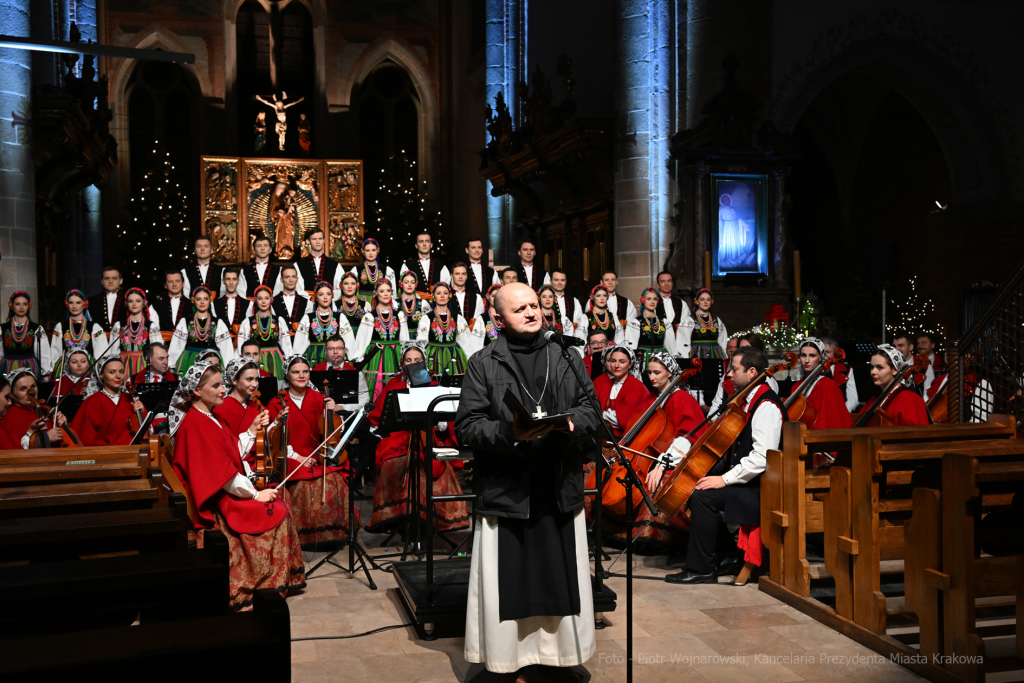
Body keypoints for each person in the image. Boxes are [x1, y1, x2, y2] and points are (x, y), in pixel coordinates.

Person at [456, 283, 599, 680]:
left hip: (557, 484)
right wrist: (511, 433)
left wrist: (571, 422)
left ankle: (558, 658)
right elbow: (467, 426)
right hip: (509, 489)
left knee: (558, 578)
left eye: (535, 305)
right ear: (498, 320)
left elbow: (593, 410)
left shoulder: (566, 356)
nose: (532, 313)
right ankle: (509, 662)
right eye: (520, 309)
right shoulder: (483, 363)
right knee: (511, 584)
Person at [169, 360, 306, 610]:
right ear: (197, 391)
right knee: (275, 505)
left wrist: (253, 430)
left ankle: (278, 578)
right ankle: (260, 583)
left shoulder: (208, 416)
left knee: (279, 496)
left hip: (219, 488)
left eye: (222, 384)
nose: (223, 390)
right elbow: (221, 475)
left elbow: (230, 453)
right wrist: (255, 495)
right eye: (216, 385)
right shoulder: (196, 424)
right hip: (214, 500)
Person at [665, 346, 785, 584]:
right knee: (695, 486)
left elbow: (762, 457)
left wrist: (723, 479)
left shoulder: (766, 405)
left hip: (763, 487)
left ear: (752, 372)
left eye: (734, 369)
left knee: (702, 496)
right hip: (752, 482)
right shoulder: (749, 399)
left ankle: (702, 569)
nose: (728, 374)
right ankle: (728, 555)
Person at [366, 344, 468, 533]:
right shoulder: (393, 385)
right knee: (394, 464)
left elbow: (445, 424)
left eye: (417, 360)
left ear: (425, 363)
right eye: (409, 360)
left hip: (426, 438)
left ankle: (425, 520)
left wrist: (437, 420)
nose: (413, 363)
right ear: (402, 364)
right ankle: (397, 519)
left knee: (426, 465)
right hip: (397, 439)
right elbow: (379, 419)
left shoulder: (434, 386)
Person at [266, 355, 359, 545]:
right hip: (289, 455)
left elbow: (331, 432)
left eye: (305, 371)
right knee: (306, 485)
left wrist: (333, 411)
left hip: (317, 454)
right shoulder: (277, 401)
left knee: (335, 479)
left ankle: (336, 533)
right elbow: (273, 438)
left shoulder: (320, 398)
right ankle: (307, 537)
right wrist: (299, 457)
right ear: (287, 375)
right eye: (295, 372)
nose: (301, 375)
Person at [352, 279, 410, 403]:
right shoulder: (369, 316)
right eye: (382, 291)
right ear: (376, 293)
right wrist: (358, 359)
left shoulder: (399, 315)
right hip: (375, 355)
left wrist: (407, 357)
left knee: (395, 386)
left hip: (395, 355)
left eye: (388, 291)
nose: (385, 293)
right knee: (375, 388)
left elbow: (404, 340)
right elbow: (362, 341)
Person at [70, 356, 148, 446]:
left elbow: (147, 433)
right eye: (112, 372)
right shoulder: (92, 402)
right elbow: (84, 437)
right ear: (101, 375)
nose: (118, 376)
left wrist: (142, 413)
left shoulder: (131, 400)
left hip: (134, 451)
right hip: (105, 454)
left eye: (121, 372)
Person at [212, 357, 267, 472]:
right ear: (234, 380)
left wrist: (276, 421)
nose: (255, 384)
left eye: (256, 379)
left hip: (260, 464)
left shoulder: (258, 406)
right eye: (249, 379)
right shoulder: (220, 409)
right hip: (235, 467)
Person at [417, 281, 480, 379]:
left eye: (445, 293)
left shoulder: (457, 317)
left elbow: (466, 342)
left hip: (454, 356)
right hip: (433, 357)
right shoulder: (427, 318)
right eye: (438, 293)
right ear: (433, 296)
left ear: (449, 296)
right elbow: (421, 341)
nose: (442, 296)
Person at [169, 286, 234, 375]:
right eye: (198, 299)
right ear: (193, 301)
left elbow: (226, 348)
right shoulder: (185, 321)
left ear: (210, 300)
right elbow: (177, 345)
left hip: (211, 359)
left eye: (205, 299)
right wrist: (171, 364)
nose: (202, 302)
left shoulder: (218, 322)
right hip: (190, 360)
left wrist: (228, 367)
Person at [861, 344, 930, 425]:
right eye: (872, 367)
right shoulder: (875, 398)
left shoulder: (910, 399)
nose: (873, 372)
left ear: (894, 370)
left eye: (880, 367)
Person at [293, 282, 356, 367]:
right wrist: (297, 362)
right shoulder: (307, 318)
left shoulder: (340, 317)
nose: (325, 297)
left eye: (328, 294)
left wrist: (353, 359)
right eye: (321, 294)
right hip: (314, 357)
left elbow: (349, 341)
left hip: (335, 357)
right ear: (315, 297)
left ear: (332, 296)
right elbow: (299, 345)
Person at [593, 346, 649, 440]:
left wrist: (603, 416)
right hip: (602, 436)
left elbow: (623, 422)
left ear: (630, 364)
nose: (616, 365)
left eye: (622, 362)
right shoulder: (604, 385)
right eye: (613, 361)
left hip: (623, 439)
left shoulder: (637, 387)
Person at [0, 368, 67, 448]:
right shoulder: (10, 418)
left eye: (33, 386)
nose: (31, 392)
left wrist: (62, 426)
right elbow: (18, 452)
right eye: (22, 389)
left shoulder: (43, 410)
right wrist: (46, 439)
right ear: (12, 395)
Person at [236, 285, 292, 379]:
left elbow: (287, 346)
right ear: (255, 300)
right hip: (255, 358)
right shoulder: (247, 322)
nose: (263, 301)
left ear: (271, 300)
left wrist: (290, 364)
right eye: (260, 298)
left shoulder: (279, 321)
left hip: (275, 360)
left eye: (266, 298)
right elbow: (241, 346)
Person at [50, 289, 105, 378]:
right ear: (67, 304)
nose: (74, 306)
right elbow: (55, 353)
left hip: (89, 370)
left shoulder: (95, 327)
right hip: (65, 370)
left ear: (85, 304)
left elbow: (101, 354)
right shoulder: (60, 326)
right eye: (71, 303)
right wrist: (54, 370)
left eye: (78, 302)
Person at [109, 288, 161, 377]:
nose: (134, 304)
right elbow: (113, 351)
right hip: (123, 366)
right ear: (126, 303)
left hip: (144, 365)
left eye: (138, 301)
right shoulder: (119, 325)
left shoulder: (151, 326)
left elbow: (157, 351)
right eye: (130, 301)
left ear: (144, 303)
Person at [1, 291, 52, 377]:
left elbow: (43, 355)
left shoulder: (37, 329)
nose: (21, 307)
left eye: (25, 304)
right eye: (17, 304)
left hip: (29, 369)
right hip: (8, 369)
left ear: (29, 306)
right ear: (11, 306)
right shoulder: (2, 328)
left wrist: (45, 373)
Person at [625, 287, 677, 367]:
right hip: (643, 361)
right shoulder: (636, 323)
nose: (652, 302)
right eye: (649, 299)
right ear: (643, 300)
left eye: (655, 299)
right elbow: (631, 348)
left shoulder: (664, 322)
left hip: (660, 361)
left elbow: (671, 347)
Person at [295, 229, 343, 298]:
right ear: (308, 241)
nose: (318, 242)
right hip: (307, 305)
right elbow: (297, 288)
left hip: (329, 305)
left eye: (320, 239)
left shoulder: (335, 265)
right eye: (314, 239)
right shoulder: (298, 265)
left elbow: (341, 288)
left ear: (324, 240)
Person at [400, 231, 450, 298]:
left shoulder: (440, 265)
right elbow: (403, 287)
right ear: (416, 245)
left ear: (431, 245)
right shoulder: (407, 265)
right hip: (415, 305)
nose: (424, 244)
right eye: (421, 241)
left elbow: (445, 288)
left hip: (436, 305)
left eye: (427, 241)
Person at [350, 238, 396, 306]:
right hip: (362, 304)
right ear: (363, 252)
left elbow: (392, 292)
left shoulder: (387, 270)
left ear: (378, 251)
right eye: (367, 250)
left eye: (373, 250)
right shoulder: (356, 269)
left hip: (381, 303)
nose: (371, 253)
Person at [821, 336, 859, 412]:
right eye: (821, 352)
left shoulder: (847, 370)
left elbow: (853, 399)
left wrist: (841, 413)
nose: (824, 355)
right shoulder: (810, 368)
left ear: (835, 353)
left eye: (828, 352)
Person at [151, 270, 188, 343]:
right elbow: (153, 332)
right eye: (170, 282)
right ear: (165, 285)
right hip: (163, 346)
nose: (174, 284)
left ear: (183, 283)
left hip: (187, 347)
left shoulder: (193, 304)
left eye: (177, 281)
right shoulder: (155, 306)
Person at [270, 265, 310, 334]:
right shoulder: (272, 301)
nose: (291, 280)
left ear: (297, 279)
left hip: (300, 342)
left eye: (293, 277)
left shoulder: (306, 302)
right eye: (287, 277)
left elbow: (308, 325)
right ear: (281, 280)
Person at [87, 266, 126, 334]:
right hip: (98, 342)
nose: (110, 281)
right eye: (106, 278)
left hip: (123, 341)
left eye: (114, 278)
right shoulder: (92, 300)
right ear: (102, 281)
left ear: (121, 281)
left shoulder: (128, 299)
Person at [214, 268, 248, 340]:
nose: (231, 283)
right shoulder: (214, 304)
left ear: (238, 281)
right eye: (228, 279)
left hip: (241, 346)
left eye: (234, 279)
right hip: (221, 345)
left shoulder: (248, 304)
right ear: (223, 281)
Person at [550, 269, 586, 337]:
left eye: (562, 280)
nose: (559, 283)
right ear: (550, 281)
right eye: (556, 280)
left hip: (570, 340)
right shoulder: (545, 300)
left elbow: (579, 324)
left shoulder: (574, 301)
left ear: (566, 282)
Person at [450, 262, 484, 329]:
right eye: (457, 274)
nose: (460, 277)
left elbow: (478, 319)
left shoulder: (476, 297)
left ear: (466, 276)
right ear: (451, 276)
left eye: (463, 274)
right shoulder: (446, 296)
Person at [916, 332, 945, 396]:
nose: (920, 346)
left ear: (932, 345)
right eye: (918, 343)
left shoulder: (942, 362)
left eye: (924, 343)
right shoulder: (914, 362)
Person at [478, 284, 503, 348]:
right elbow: (476, 342)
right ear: (488, 297)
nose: (496, 298)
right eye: (493, 296)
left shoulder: (507, 317)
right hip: (488, 354)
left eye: (499, 296)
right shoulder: (482, 318)